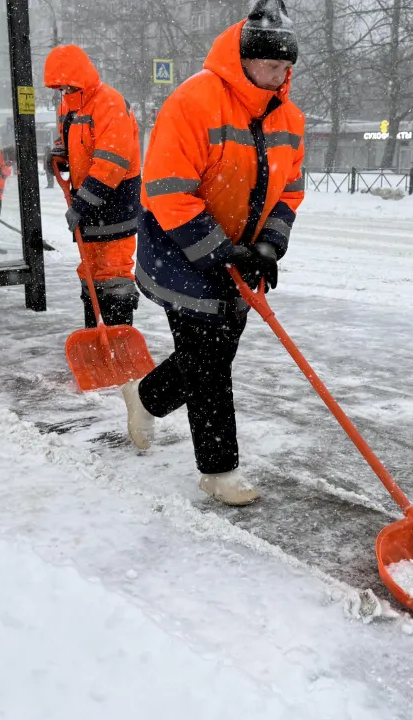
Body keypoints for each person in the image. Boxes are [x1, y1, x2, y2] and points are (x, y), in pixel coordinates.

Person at [121, 0, 304, 506]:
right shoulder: (195, 101)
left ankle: (145, 396)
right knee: (209, 364)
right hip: (182, 250)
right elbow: (168, 190)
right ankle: (219, 471)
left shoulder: (288, 115)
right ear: (243, 58)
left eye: (286, 67)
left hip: (243, 256)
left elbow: (290, 189)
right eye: (270, 65)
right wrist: (219, 252)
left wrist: (268, 244)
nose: (279, 74)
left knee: (213, 355)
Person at [43, 44, 142, 328]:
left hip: (116, 200)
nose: (64, 93)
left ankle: (118, 335)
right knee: (90, 270)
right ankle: (94, 332)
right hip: (87, 201)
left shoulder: (110, 103)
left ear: (81, 79)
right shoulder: (68, 107)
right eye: (60, 88)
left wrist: (82, 203)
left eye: (69, 87)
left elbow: (111, 163)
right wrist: (61, 155)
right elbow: (75, 144)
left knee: (114, 273)